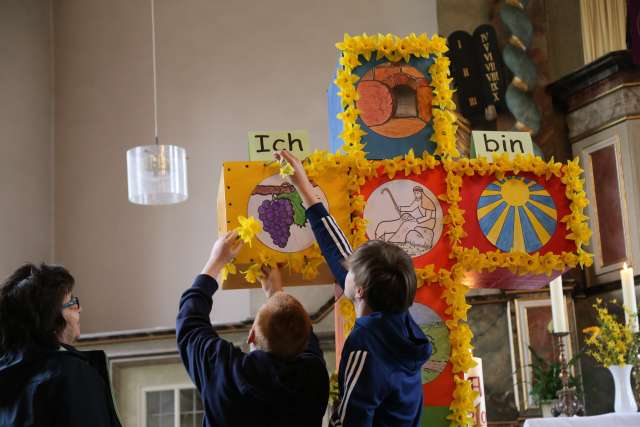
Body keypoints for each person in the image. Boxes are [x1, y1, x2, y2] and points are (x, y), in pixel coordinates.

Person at [277, 150, 432, 427]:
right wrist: (304, 187)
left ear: (359, 290)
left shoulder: (366, 345)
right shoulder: (399, 322)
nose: (343, 271)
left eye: (351, 272)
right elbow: (340, 253)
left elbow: (351, 420)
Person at [176, 230, 329, 427]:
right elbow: (189, 326)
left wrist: (216, 261)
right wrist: (275, 293)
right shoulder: (314, 379)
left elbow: (190, 326)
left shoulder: (224, 372)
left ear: (252, 336)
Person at [0, 263, 122, 427]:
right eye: (72, 303)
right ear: (51, 318)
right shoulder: (71, 374)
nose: (80, 309)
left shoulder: (9, 379)